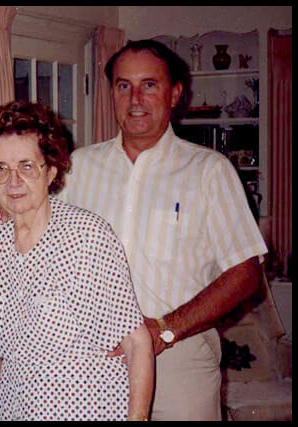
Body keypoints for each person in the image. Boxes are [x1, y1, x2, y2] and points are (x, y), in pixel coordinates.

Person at [57, 40, 268, 420]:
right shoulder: (78, 167)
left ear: (174, 95)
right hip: (92, 360)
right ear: (111, 94)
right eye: (124, 86)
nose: (135, 98)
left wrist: (166, 329)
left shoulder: (209, 170)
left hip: (178, 361)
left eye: (149, 85)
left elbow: (245, 273)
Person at [0, 101, 154, 421]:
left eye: (26, 166)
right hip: (19, 407)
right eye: (1, 168)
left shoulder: (87, 236)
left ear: (50, 171)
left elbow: (136, 341)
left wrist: (138, 419)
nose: (13, 181)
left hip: (94, 407)